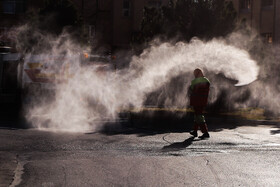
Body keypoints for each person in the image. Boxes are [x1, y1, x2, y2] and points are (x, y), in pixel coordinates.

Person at [188, 68, 210, 139]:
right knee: (197, 115)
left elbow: (191, 90)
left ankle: (205, 132)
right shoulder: (207, 80)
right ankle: (195, 131)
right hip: (203, 100)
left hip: (196, 101)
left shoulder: (194, 81)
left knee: (199, 116)